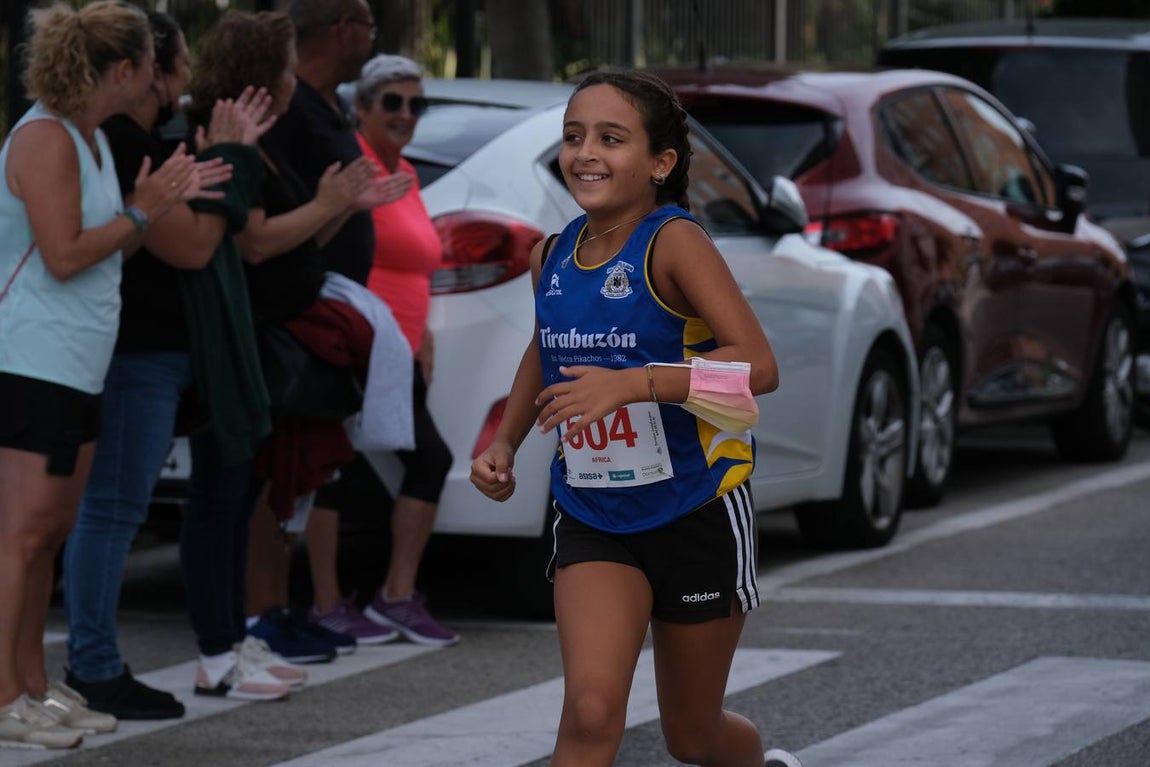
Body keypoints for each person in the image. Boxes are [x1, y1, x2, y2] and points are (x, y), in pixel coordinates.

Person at [469, 69, 801, 767]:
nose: (586, 152)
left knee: (694, 736)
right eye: (573, 137)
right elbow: (546, 346)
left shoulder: (673, 242)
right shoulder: (551, 254)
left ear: (660, 163)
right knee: (589, 714)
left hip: (697, 507)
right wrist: (503, 440)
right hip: (594, 511)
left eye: (611, 138)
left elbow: (758, 367)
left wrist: (634, 384)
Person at [61, 10, 296, 719]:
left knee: (104, 513)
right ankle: (93, 666)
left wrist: (222, 165)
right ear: (144, 70)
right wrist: (236, 159)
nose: (189, 78)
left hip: (153, 353)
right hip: (135, 355)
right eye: (180, 63)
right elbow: (193, 245)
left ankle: (88, 665)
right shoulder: (122, 141)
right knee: (107, 514)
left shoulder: (135, 141)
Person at [0, 0, 213, 750]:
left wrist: (142, 214)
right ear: (122, 70)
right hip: (32, 362)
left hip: (78, 364)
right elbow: (62, 255)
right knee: (23, 537)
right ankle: (4, 697)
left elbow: (102, 252)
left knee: (50, 533)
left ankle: (32, 684)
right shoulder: (48, 138)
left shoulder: (88, 138)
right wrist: (146, 211)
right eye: (153, 67)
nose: (160, 83)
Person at [188, 8, 403, 665]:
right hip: (249, 329)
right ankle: (234, 633)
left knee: (259, 484)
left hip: (273, 323)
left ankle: (249, 626)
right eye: (283, 64)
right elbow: (256, 241)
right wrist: (331, 202)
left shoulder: (262, 136)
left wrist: (340, 207)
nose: (293, 74)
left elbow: (298, 236)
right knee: (230, 491)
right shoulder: (237, 137)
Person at [301, 53, 458, 648]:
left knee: (418, 463)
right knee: (334, 470)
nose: (405, 114)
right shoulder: (352, 168)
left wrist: (423, 335)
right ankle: (327, 603)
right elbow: (335, 254)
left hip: (399, 353)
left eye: (416, 104)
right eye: (391, 102)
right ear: (361, 107)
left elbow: (415, 266)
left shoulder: (408, 175)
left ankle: (393, 596)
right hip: (355, 342)